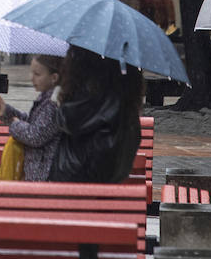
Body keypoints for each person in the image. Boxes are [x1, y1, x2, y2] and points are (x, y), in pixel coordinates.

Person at [47, 45, 143, 183]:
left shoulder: (85, 101)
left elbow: (69, 120)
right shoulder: (127, 106)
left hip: (74, 188)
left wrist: (60, 101)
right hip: (112, 189)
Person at [0, 54, 64, 181]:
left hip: (44, 175)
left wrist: (15, 124)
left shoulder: (54, 103)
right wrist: (6, 111)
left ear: (54, 77)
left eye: (37, 74)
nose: (32, 78)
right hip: (38, 172)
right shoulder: (45, 98)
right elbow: (32, 121)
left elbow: (35, 135)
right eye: (32, 73)